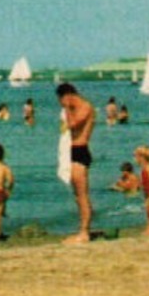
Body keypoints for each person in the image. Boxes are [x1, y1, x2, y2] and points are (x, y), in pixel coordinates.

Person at [56, 82, 97, 244]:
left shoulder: (85, 107)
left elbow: (73, 124)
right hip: (72, 151)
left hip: (81, 151)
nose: (62, 104)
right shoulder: (73, 109)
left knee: (82, 195)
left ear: (67, 96)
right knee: (77, 196)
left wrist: (66, 108)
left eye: (61, 100)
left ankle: (84, 232)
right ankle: (82, 229)